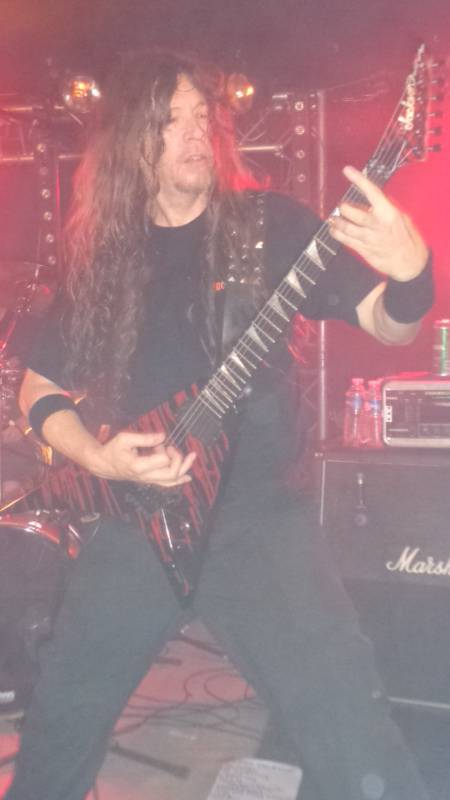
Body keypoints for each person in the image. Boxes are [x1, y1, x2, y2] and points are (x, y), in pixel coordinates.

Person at [4, 49, 434, 800]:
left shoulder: (271, 225)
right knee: (58, 734)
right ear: (133, 141)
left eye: (201, 116)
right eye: (170, 120)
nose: (194, 132)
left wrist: (412, 276)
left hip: (258, 524)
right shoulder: (103, 255)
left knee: (354, 733)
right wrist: (100, 460)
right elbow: (38, 390)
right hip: (137, 520)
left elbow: (387, 324)